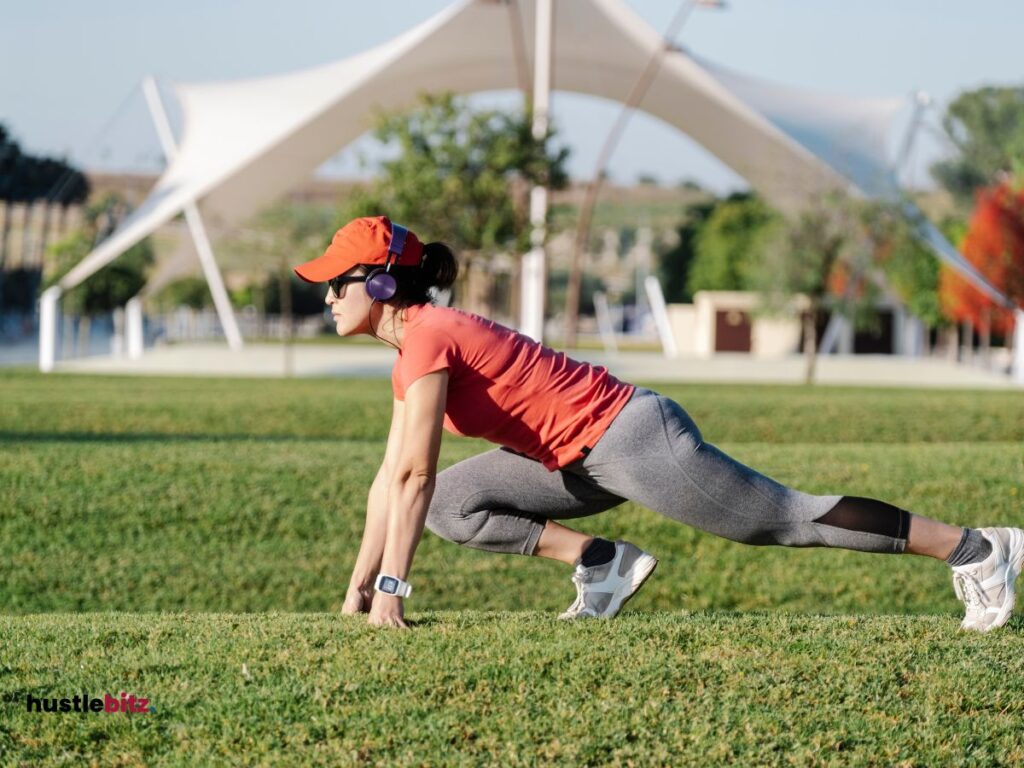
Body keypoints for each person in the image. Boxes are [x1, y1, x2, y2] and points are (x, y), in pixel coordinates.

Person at [294, 216, 1024, 632]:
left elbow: (413, 472)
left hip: (631, 438)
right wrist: (359, 589)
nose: (327, 296)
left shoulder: (427, 336)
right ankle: (602, 566)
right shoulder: (414, 346)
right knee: (456, 504)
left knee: (782, 520)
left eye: (337, 282)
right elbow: (394, 480)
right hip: (571, 461)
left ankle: (975, 550)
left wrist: (394, 588)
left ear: (383, 283)